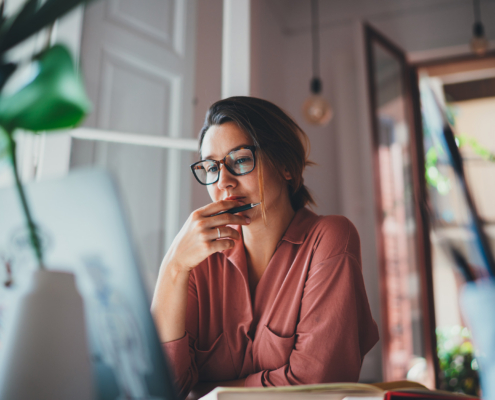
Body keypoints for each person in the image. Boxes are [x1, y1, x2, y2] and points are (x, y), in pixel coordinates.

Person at [151, 97, 379, 399]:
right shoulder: (197, 259)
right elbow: (160, 389)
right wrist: (174, 267)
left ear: (285, 165)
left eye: (241, 160)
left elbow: (316, 386)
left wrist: (207, 392)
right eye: (211, 168)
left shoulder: (330, 238)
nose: (224, 183)